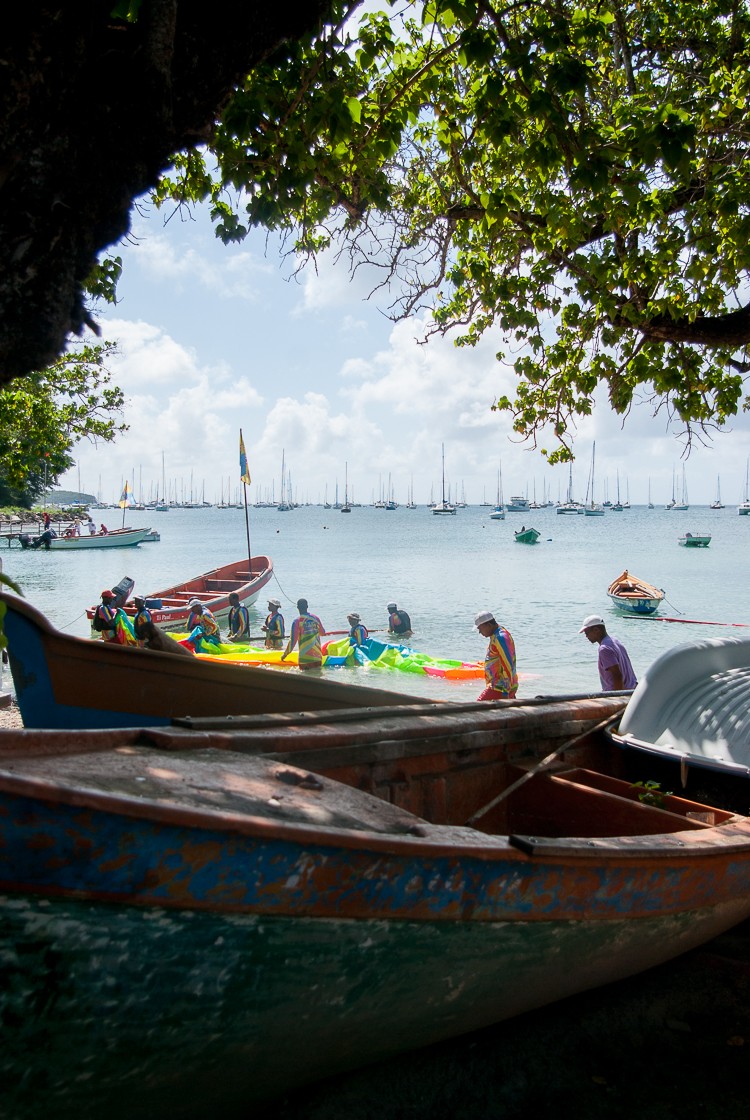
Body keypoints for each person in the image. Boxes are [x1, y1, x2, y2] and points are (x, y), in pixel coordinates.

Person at [579, 615, 637, 692]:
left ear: (596, 630)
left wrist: (618, 698)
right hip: (633, 689)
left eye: (587, 632)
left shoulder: (604, 649)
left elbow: (617, 675)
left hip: (622, 693)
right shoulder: (615, 641)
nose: (586, 636)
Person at [474, 610, 518, 701]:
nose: (479, 632)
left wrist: (505, 692)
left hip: (500, 688)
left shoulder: (501, 637)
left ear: (488, 625)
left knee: (476, 708)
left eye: (480, 629)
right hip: (497, 686)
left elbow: (507, 665)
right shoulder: (495, 635)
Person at [281, 598, 325, 669]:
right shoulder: (316, 618)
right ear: (307, 606)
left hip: (305, 659)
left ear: (297, 607)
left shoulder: (297, 621)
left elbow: (293, 641)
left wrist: (285, 655)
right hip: (318, 657)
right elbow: (323, 633)